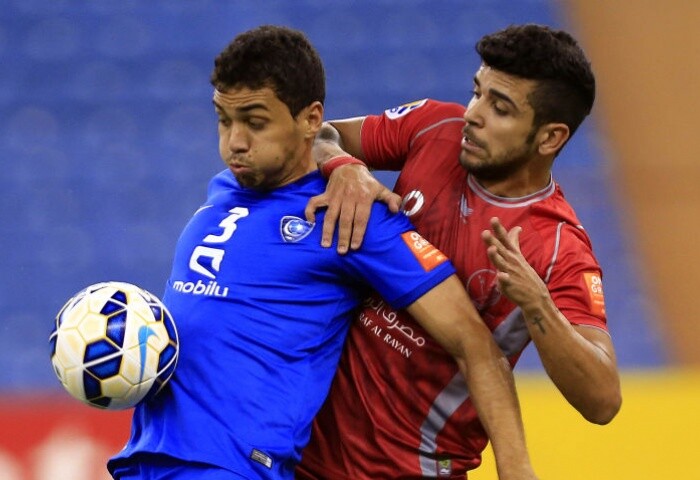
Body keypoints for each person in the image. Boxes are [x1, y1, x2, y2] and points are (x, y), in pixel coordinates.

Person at [106, 25, 536, 480]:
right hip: (142, 460)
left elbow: (475, 343)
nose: (235, 142)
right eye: (224, 119)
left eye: (255, 122)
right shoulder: (223, 191)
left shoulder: (351, 216)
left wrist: (516, 468)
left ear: (311, 119)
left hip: (228, 467)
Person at [297, 23, 622, 479]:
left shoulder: (557, 248)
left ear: (550, 138)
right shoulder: (435, 128)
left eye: (500, 108)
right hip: (304, 449)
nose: (473, 114)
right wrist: (343, 165)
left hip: (409, 469)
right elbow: (316, 134)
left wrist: (539, 306)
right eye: (477, 93)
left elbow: (603, 400)